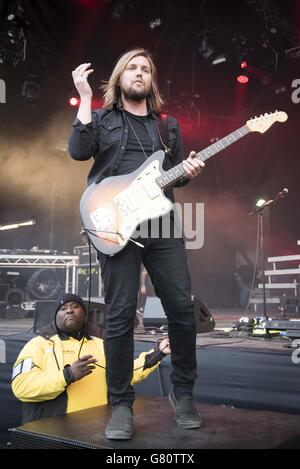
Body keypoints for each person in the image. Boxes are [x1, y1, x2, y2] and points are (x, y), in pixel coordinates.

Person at [68, 48, 205, 440]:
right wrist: (84, 97)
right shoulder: (101, 118)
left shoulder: (168, 127)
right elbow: (79, 151)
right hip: (115, 226)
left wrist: (189, 170)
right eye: (132, 67)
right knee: (120, 314)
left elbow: (176, 177)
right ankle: (121, 405)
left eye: (146, 68)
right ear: (119, 77)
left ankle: (184, 394)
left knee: (180, 308)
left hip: (161, 226)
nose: (139, 73)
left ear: (152, 81)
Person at [12, 293, 170, 424]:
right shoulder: (38, 344)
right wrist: (67, 375)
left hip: (96, 431)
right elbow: (21, 386)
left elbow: (125, 374)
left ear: (85, 314)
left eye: (75, 306)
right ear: (55, 316)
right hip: (53, 435)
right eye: (63, 308)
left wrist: (158, 352)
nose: (69, 311)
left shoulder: (101, 344)